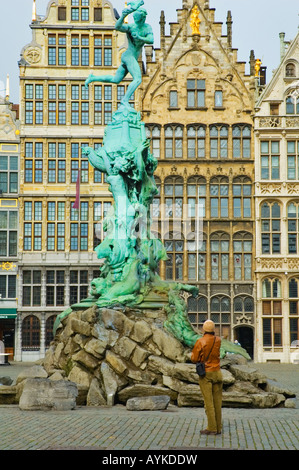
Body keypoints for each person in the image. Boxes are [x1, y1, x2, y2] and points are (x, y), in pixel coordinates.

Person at [85, 2, 154, 105]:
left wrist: (139, 38)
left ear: (143, 18)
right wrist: (123, 16)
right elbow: (117, 27)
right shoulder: (131, 27)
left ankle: (93, 78)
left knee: (116, 80)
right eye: (135, 19)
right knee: (138, 79)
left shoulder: (147, 27)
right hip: (128, 56)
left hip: (131, 58)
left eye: (138, 19)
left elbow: (151, 39)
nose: (136, 21)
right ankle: (125, 100)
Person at [191, 319, 223, 435]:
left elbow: (194, 358)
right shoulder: (218, 340)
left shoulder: (201, 341)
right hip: (217, 372)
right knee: (217, 402)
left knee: (208, 402)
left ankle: (212, 427)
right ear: (213, 329)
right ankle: (218, 427)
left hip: (206, 374)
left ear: (203, 329)